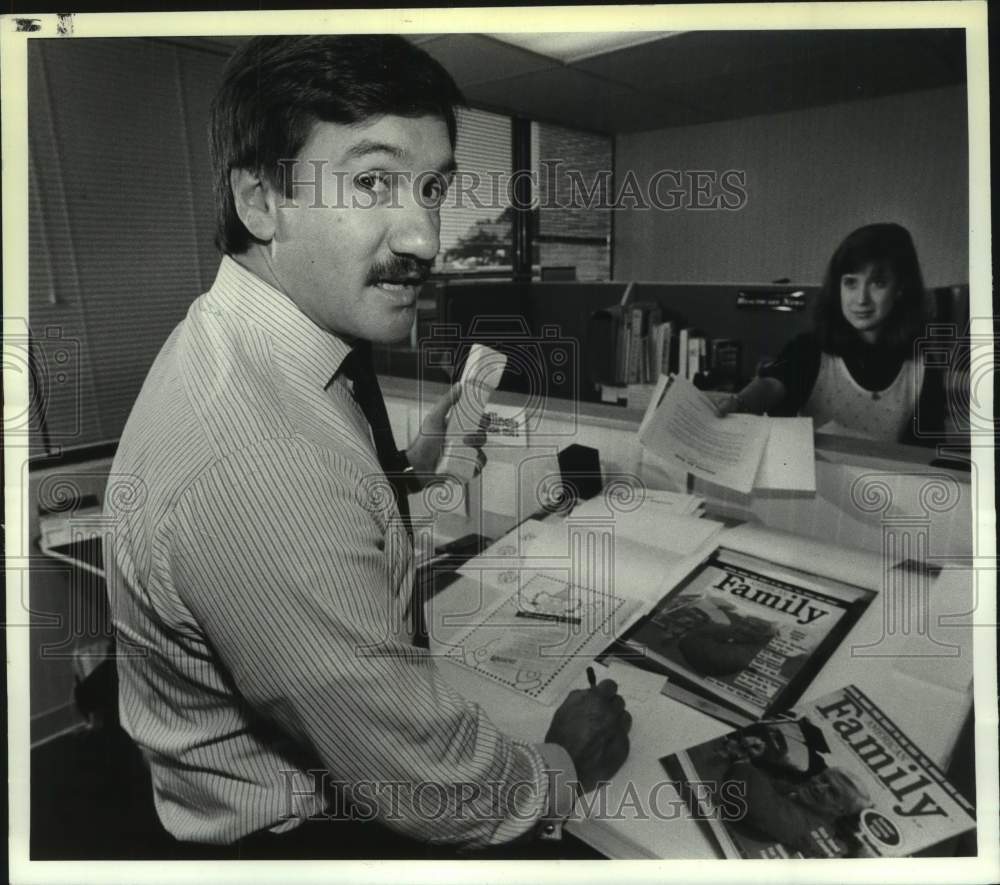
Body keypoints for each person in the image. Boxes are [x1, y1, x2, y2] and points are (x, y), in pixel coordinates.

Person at [104, 35, 631, 859]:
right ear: (260, 199)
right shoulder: (256, 465)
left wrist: (403, 473)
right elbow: (426, 782)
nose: (424, 236)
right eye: (373, 180)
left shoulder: (254, 345)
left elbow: (318, 498)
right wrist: (563, 762)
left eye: (432, 187)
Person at [714, 223, 954, 445]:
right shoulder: (808, 348)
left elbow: (923, 457)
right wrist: (740, 403)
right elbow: (771, 385)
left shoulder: (923, 367)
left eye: (878, 283)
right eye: (850, 283)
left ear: (900, 289)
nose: (861, 299)